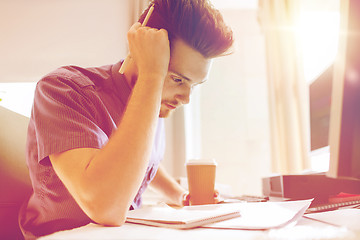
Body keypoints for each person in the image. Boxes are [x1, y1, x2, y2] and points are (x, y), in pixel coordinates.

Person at [19, 0, 234, 239]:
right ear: (142, 49)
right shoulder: (62, 89)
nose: (186, 99)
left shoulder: (153, 101)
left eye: (194, 85)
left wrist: (181, 196)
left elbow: (145, 160)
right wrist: (152, 74)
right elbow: (106, 207)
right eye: (177, 79)